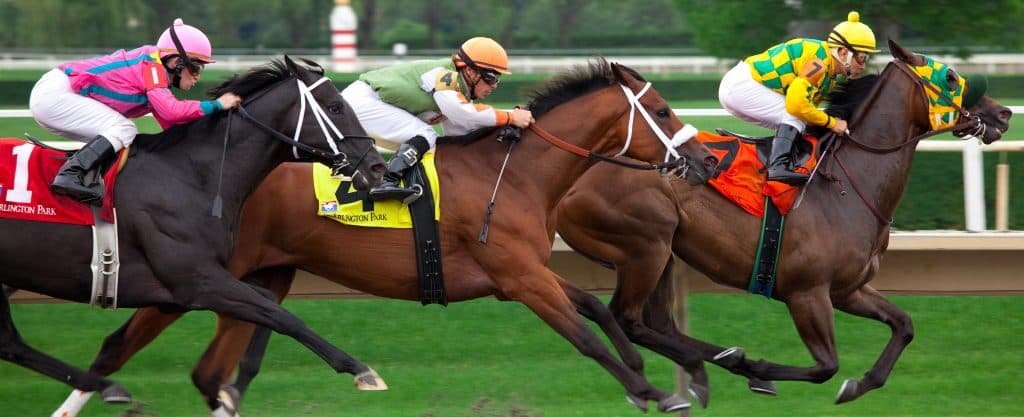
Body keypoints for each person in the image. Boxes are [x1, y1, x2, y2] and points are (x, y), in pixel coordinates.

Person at [29, 18, 242, 205]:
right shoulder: (152, 67)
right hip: (56, 94)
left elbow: (173, 126)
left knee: (119, 134)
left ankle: (85, 175)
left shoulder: (156, 80)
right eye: (195, 68)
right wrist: (217, 105)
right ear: (176, 62)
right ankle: (70, 175)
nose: (197, 76)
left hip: (56, 96)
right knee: (124, 128)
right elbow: (173, 111)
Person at [341, 36, 535, 203]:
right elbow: (465, 115)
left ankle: (403, 184)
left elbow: (460, 135)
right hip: (361, 102)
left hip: (363, 104)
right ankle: (387, 182)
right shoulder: (446, 76)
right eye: (491, 77)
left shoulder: (458, 90)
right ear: (470, 71)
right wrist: (510, 116)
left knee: (433, 146)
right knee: (426, 135)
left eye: (497, 79)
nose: (494, 85)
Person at [718, 11, 879, 185]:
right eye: (861, 57)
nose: (863, 65)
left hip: (740, 88)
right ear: (843, 53)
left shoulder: (830, 73)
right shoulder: (818, 64)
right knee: (796, 116)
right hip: (741, 87)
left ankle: (778, 161)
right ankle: (777, 168)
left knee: (799, 126)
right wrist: (832, 123)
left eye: (866, 58)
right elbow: (796, 106)